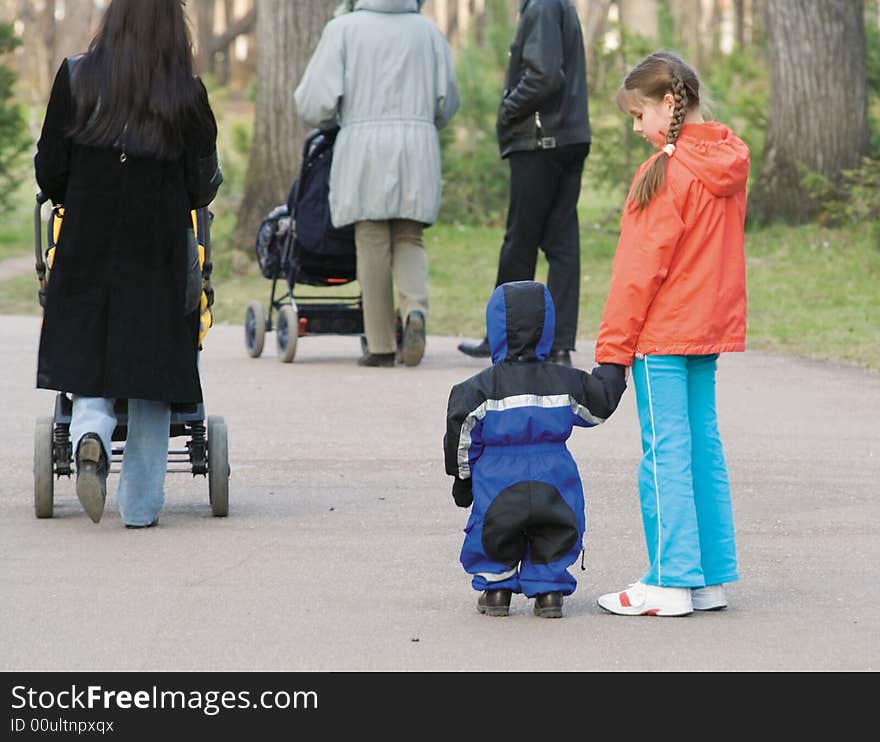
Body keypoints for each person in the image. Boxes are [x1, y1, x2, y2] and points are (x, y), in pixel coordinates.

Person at [34, 0, 221, 527]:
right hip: (157, 247)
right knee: (154, 372)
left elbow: (50, 170)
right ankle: (139, 508)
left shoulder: (76, 77)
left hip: (87, 241)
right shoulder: (186, 92)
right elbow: (201, 182)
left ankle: (89, 432)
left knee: (90, 344)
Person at [593, 51, 750, 616]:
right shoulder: (726, 163)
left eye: (638, 115)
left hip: (661, 337)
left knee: (665, 454)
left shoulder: (664, 171)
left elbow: (637, 272)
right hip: (705, 331)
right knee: (702, 449)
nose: (637, 128)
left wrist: (612, 353)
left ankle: (670, 578)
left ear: (667, 103)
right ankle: (706, 576)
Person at [444, 281, 626, 618]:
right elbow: (600, 404)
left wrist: (463, 480)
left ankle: (496, 590)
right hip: (554, 474)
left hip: (497, 477)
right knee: (557, 528)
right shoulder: (565, 381)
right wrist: (613, 364)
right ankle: (549, 593)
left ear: (495, 328)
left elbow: (461, 435)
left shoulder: (476, 389)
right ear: (548, 328)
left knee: (492, 530)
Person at [294, 0, 459, 368]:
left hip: (363, 147)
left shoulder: (344, 30)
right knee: (409, 236)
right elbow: (448, 101)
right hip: (418, 144)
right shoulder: (428, 31)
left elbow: (313, 103)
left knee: (370, 240)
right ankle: (415, 312)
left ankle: (382, 344)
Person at [457, 0, 590, 368]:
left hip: (540, 139)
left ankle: (504, 339)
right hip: (569, 135)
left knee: (520, 240)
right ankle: (559, 344)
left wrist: (507, 108)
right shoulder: (559, 4)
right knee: (562, 242)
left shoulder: (542, 6)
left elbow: (544, 76)